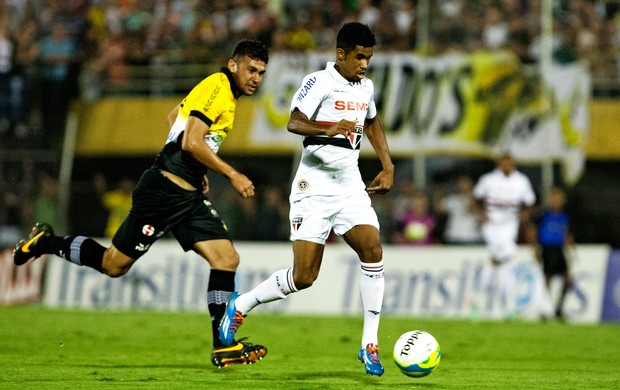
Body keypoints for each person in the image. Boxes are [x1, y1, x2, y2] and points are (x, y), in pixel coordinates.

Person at [13, 39, 270, 368]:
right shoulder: (218, 86)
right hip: (163, 192)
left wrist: (195, 168)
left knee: (226, 258)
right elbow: (192, 140)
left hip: (186, 193)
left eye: (262, 72)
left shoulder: (222, 93)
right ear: (233, 65)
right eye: (251, 69)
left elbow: (174, 116)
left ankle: (222, 345)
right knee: (113, 265)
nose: (256, 78)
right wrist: (231, 174)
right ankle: (46, 242)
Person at [218, 22, 394, 376]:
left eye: (369, 58)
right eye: (359, 57)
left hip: (349, 185)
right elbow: (294, 122)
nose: (364, 64)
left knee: (372, 249)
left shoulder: (366, 87)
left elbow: (371, 122)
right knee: (304, 277)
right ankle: (242, 305)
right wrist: (328, 128)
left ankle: (369, 344)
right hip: (313, 187)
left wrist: (388, 165)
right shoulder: (319, 82)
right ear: (340, 54)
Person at [472, 152, 535, 320]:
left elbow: (529, 202)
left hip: (510, 224)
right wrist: (482, 214)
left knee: (498, 261)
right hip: (492, 224)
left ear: (514, 163)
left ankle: (476, 303)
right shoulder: (489, 179)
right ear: (499, 163)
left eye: (510, 162)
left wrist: (524, 214)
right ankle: (510, 308)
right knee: (507, 260)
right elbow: (475, 198)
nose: (507, 165)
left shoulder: (521, 180)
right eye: (504, 162)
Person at [530, 186, 574, 320]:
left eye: (559, 198)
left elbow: (566, 231)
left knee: (567, 280)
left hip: (559, 249)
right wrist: (536, 247)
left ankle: (559, 309)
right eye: (554, 197)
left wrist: (569, 242)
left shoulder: (565, 215)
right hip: (547, 248)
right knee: (547, 279)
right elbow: (533, 229)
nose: (556, 200)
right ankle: (545, 309)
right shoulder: (543, 214)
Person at [436, 175, 483, 245]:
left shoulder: (479, 199)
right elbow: (439, 209)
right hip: (453, 238)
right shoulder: (453, 199)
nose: (463, 185)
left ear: (472, 183)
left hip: (473, 238)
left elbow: (486, 218)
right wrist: (440, 189)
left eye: (466, 182)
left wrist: (476, 205)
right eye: (461, 182)